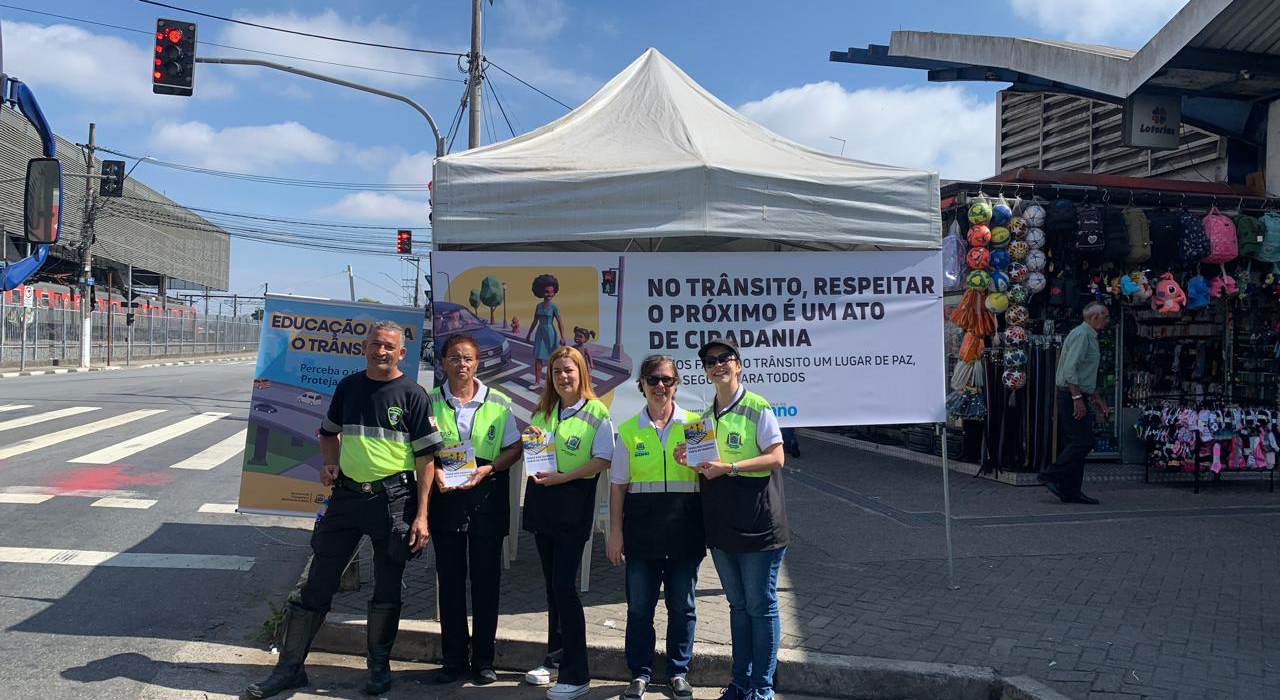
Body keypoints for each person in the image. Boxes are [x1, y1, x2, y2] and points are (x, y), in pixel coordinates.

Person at [245, 320, 441, 699]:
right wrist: (330, 463)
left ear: (402, 353)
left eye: (389, 347)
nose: (381, 351)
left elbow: (426, 459)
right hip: (347, 498)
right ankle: (289, 669)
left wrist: (422, 515)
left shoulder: (413, 395)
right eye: (375, 344)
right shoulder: (348, 387)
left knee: (387, 586)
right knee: (318, 583)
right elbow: (328, 432)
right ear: (365, 347)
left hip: (393, 500)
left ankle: (379, 667)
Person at [676, 338, 787, 700]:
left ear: (738, 364)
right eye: (710, 361)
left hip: (759, 524)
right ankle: (740, 682)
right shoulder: (703, 418)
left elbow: (777, 457)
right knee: (738, 607)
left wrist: (731, 467)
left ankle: (762, 687)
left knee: (760, 606)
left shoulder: (756, 406)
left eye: (725, 358)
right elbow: (706, 467)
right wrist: (689, 459)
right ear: (706, 371)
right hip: (722, 525)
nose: (718, 364)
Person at [607, 355, 704, 700]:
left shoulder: (696, 425)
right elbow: (618, 486)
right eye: (653, 379)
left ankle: (678, 672)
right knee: (639, 609)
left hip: (685, 532)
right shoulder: (628, 429)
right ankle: (640, 673)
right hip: (642, 534)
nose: (660, 386)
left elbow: (711, 475)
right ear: (642, 385)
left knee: (683, 608)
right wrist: (615, 533)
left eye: (667, 379)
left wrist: (698, 463)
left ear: (677, 384)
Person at [427, 334, 522, 685]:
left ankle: (483, 659)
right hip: (446, 499)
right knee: (450, 583)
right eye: (454, 358)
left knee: (486, 583)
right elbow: (418, 449)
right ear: (443, 362)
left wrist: (490, 468)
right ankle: (453, 659)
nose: (461, 364)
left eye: (467, 358)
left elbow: (514, 448)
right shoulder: (429, 402)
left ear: (477, 363)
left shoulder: (498, 402)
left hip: (486, 498)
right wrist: (434, 471)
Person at [521, 346, 615, 700]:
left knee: (565, 587)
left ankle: (577, 674)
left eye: (569, 370)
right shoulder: (544, 410)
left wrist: (564, 477)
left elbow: (603, 459)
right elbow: (536, 452)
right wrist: (531, 438)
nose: (563, 376)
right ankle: (555, 657)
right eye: (557, 371)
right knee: (551, 587)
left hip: (573, 504)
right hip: (542, 504)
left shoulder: (596, 412)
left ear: (581, 373)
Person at [1041, 302, 1111, 505]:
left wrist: (1096, 398)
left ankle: (1070, 490)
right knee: (1083, 442)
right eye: (1105, 316)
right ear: (1095, 317)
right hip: (1071, 394)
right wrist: (1077, 399)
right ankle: (1051, 474)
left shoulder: (1087, 335)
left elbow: (1083, 372)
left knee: (1076, 442)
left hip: (1077, 393)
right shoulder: (1082, 335)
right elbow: (1070, 369)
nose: (1107, 321)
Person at [526, 274, 566, 391]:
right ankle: (537, 381)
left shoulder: (554, 307)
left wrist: (563, 336)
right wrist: (529, 334)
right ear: (541, 292)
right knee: (538, 358)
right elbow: (534, 321)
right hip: (540, 333)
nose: (549, 294)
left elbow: (560, 322)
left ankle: (553, 382)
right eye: (547, 292)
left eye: (552, 292)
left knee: (552, 359)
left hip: (550, 333)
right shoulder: (538, 306)